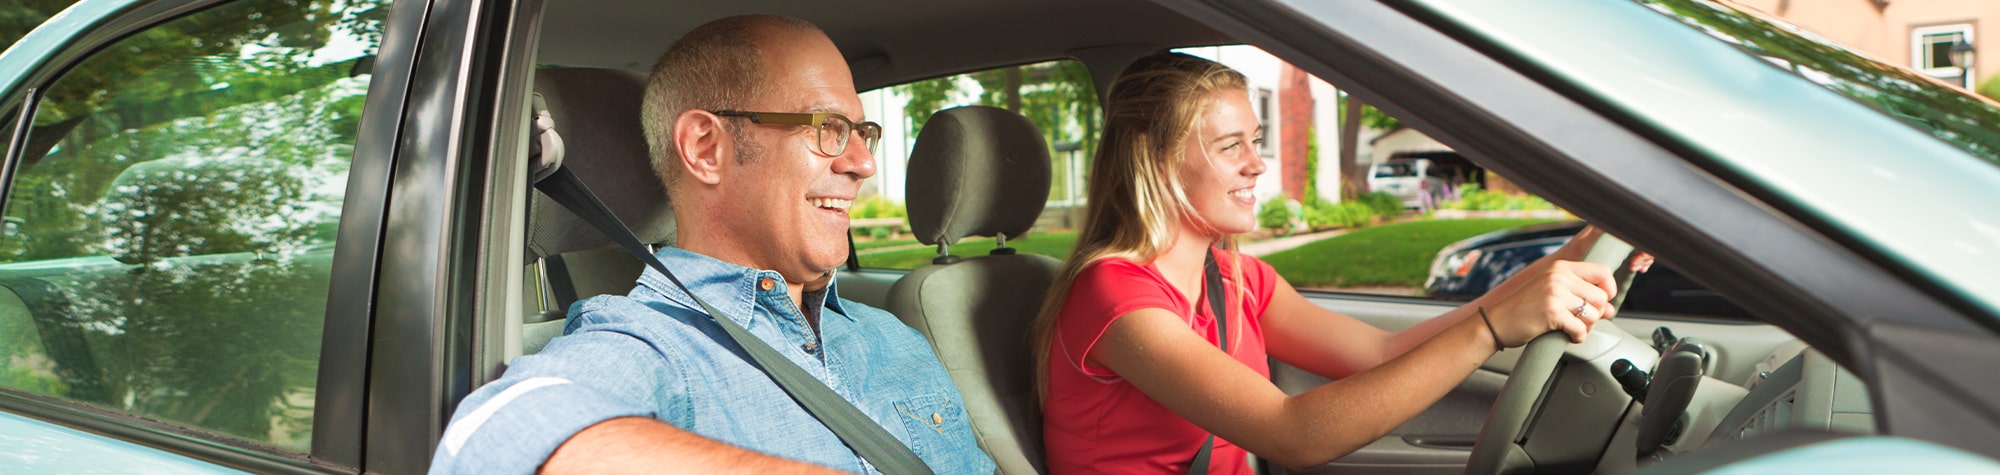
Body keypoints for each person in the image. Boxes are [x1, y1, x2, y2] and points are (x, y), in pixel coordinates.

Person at [430, 15, 996, 474]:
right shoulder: (647, 342)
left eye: (862, 132)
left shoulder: (894, 338)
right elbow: (494, 437)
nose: (864, 163)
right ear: (705, 148)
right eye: (828, 127)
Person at [1035, 52, 1638, 473]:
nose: (1258, 164)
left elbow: (1379, 356)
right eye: (1230, 146)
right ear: (1155, 163)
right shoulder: (1114, 298)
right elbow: (1293, 435)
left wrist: (1570, 256)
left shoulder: (1236, 278)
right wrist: (1488, 331)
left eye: (1255, 138)